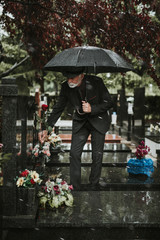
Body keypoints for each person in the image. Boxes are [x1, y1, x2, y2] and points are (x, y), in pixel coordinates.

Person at [46, 70, 113, 190]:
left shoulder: (97, 82)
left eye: (72, 78)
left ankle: (94, 184)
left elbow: (108, 102)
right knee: (74, 153)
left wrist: (92, 108)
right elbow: (58, 108)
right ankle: (75, 187)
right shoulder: (65, 87)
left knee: (97, 155)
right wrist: (47, 127)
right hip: (80, 122)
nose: (69, 81)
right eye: (68, 78)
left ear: (81, 75)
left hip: (98, 121)